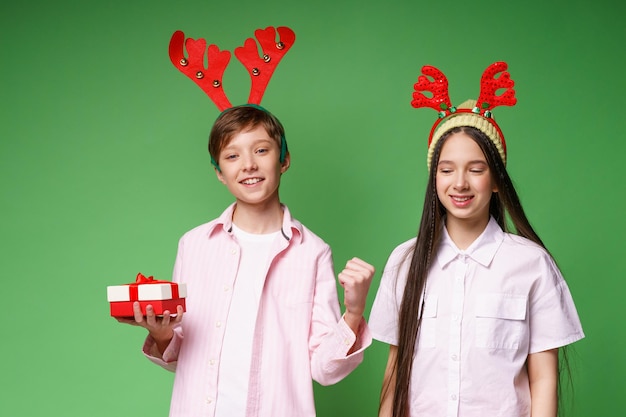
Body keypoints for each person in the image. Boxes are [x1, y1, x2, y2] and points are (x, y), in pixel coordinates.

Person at [117, 104, 376, 417]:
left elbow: (324, 369)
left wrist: (353, 313)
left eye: (262, 150)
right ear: (219, 173)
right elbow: (181, 352)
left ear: (284, 160)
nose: (249, 165)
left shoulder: (313, 252)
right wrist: (160, 334)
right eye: (232, 156)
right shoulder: (194, 245)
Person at [369, 62, 584, 417]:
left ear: (496, 180)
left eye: (477, 169)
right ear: (434, 177)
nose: (460, 183)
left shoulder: (531, 264)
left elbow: (544, 378)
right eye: (447, 169)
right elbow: (395, 370)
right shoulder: (405, 261)